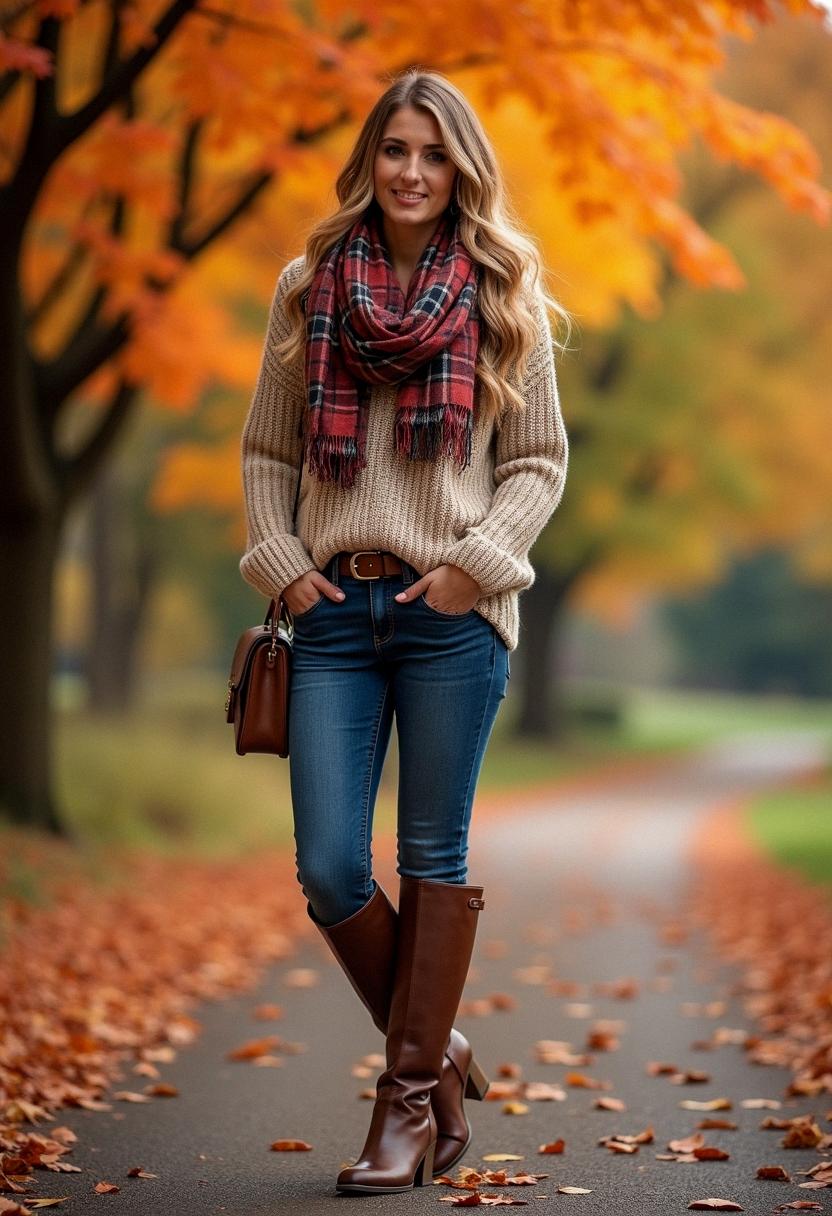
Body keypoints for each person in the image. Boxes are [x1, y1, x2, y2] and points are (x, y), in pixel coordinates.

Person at [239, 68, 570, 1196]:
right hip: (332, 614)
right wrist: (283, 566)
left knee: (433, 859)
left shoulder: (502, 288)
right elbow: (267, 450)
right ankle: (438, 1052)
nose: (413, 172)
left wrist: (473, 570)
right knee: (330, 865)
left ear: (461, 167)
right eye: (395, 149)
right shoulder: (308, 287)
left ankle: (405, 1104)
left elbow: (537, 463)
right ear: (368, 160)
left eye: (434, 153)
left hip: (450, 619)